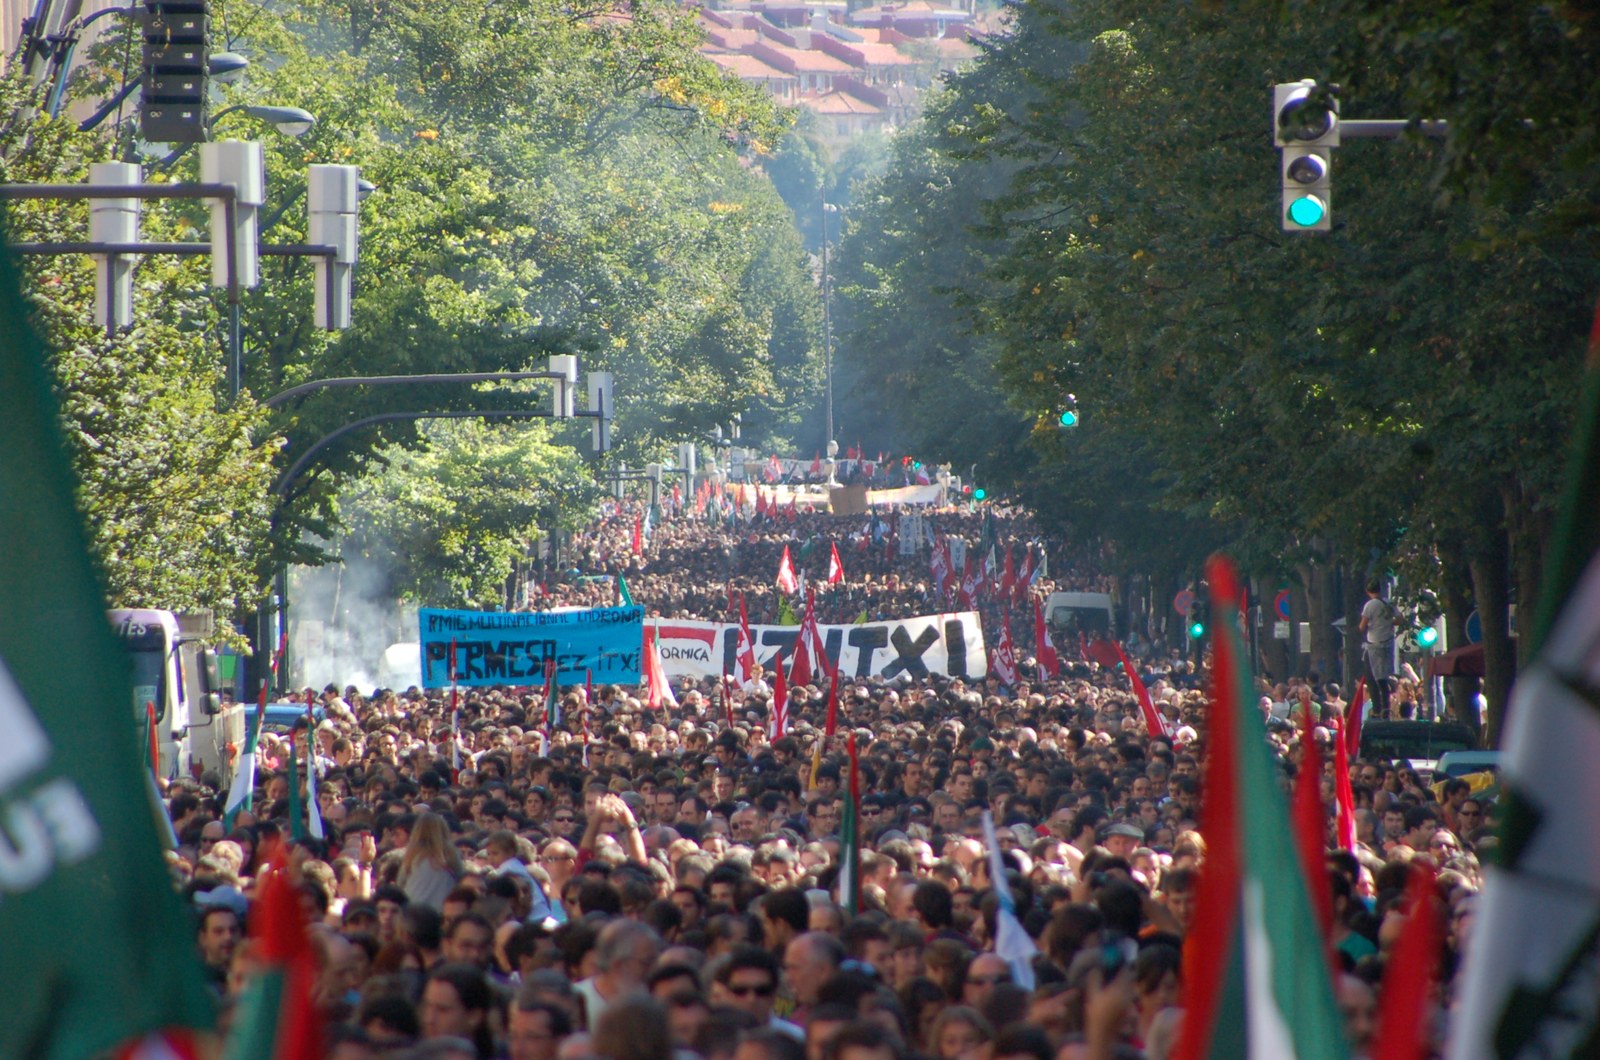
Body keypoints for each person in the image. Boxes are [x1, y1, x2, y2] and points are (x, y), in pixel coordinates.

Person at [399, 813, 465, 912]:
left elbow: (400, 884)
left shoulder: (410, 857)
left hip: (413, 912)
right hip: (441, 912)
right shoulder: (451, 856)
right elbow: (461, 880)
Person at [1358, 581, 1395, 718]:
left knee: (1371, 676)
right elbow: (1399, 619)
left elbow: (1362, 625)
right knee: (1383, 677)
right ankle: (1386, 707)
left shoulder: (1370, 605)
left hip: (1374, 644)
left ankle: (1377, 708)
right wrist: (1386, 623)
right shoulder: (1388, 603)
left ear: (1368, 591)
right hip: (1387, 644)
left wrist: (1372, 625)